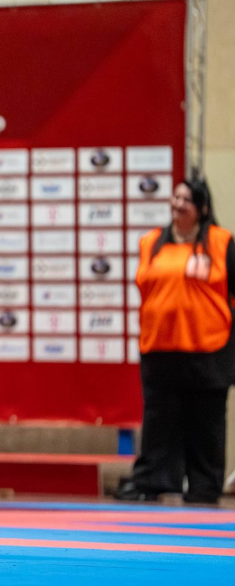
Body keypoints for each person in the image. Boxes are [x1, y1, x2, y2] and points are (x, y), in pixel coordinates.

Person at [115, 177, 235, 505]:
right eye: (176, 197)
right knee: (159, 422)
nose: (178, 204)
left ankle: (204, 488)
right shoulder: (152, 242)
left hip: (208, 348)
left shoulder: (222, 242)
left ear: (202, 208)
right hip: (160, 348)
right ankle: (151, 482)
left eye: (187, 200)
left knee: (206, 424)